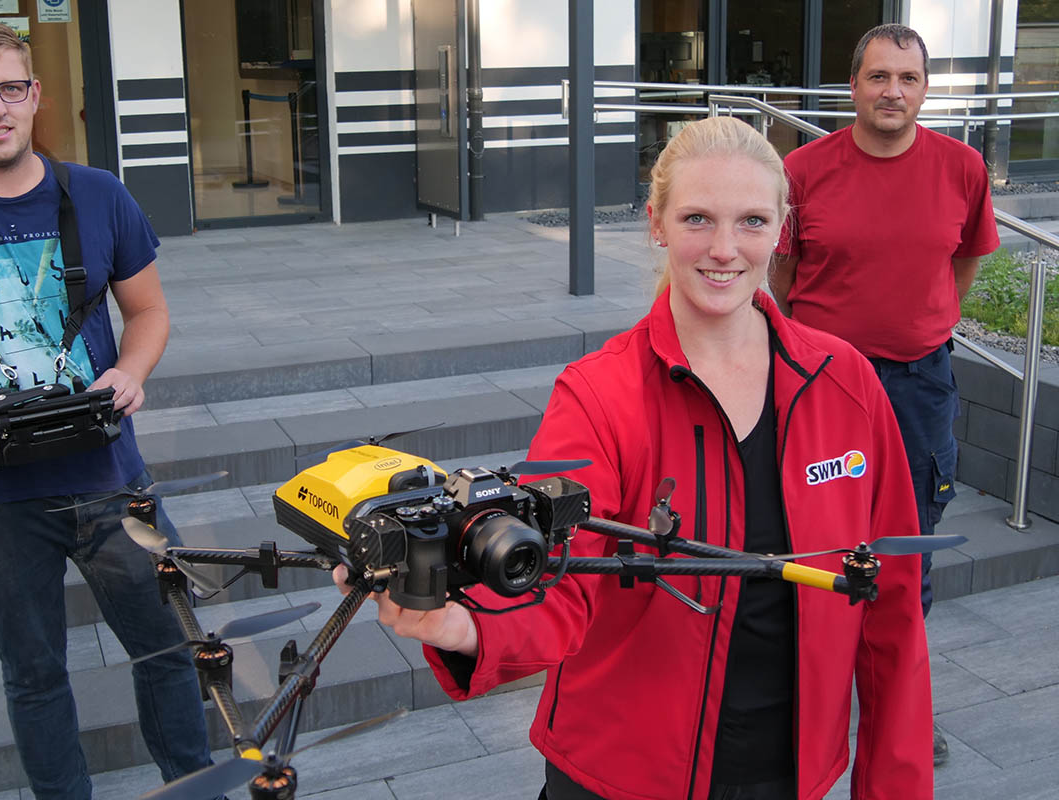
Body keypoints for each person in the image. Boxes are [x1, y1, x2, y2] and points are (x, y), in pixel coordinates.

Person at [337, 116, 933, 799]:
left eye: (751, 221)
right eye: (698, 218)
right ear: (657, 224)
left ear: (781, 230)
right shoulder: (599, 393)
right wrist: (467, 626)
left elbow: (892, 604)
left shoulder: (844, 381)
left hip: (790, 772)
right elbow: (561, 574)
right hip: (620, 776)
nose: (724, 249)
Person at [0, 17, 214, 799]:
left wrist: (130, 368)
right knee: (34, 677)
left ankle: (194, 786)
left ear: (35, 96)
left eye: (10, 88)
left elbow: (148, 313)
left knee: (170, 648)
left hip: (110, 476)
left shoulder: (97, 194)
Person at [770, 23, 1001, 765]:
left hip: (917, 384)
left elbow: (962, 265)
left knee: (906, 549)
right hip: (820, 383)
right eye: (878, 77)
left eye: (907, 78)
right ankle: (806, 701)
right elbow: (781, 279)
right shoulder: (803, 169)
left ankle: (895, 708)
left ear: (926, 88)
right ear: (853, 87)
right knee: (806, 537)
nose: (892, 91)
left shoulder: (962, 167)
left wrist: (923, 321)